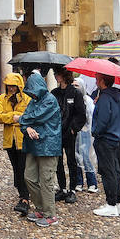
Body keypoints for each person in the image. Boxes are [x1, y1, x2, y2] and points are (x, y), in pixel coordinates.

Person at [17, 71, 61, 227]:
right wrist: (26, 128)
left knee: (46, 180)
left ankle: (50, 214)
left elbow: (35, 117)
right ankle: (41, 208)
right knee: (29, 177)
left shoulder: (50, 100)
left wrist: (22, 120)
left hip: (48, 146)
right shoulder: (33, 101)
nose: (32, 94)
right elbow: (27, 120)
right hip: (33, 145)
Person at [0, 72, 31, 215]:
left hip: (23, 139)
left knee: (23, 167)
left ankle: (24, 197)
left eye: (13, 86)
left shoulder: (26, 98)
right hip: (10, 140)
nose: (11, 89)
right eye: (9, 86)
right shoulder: (2, 99)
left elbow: (28, 115)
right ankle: (21, 190)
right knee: (16, 167)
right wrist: (14, 117)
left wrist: (17, 118)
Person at [91, 74, 120, 217]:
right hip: (115, 136)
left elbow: (103, 120)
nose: (95, 81)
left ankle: (111, 204)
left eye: (97, 79)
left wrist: (95, 131)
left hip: (105, 138)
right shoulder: (115, 95)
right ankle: (116, 202)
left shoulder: (105, 97)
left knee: (107, 172)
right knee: (114, 170)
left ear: (103, 81)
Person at [54, 69, 85, 201]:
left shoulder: (75, 93)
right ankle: (62, 188)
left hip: (69, 132)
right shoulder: (54, 93)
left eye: (58, 73)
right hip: (56, 132)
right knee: (58, 161)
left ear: (64, 76)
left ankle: (72, 189)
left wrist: (74, 128)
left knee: (71, 160)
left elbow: (81, 114)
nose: (56, 76)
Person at [76, 83, 98, 193]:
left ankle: (92, 182)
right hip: (76, 131)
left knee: (86, 157)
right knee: (76, 157)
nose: (76, 88)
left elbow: (92, 116)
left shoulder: (88, 101)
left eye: (77, 85)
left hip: (86, 132)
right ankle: (78, 182)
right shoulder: (74, 98)